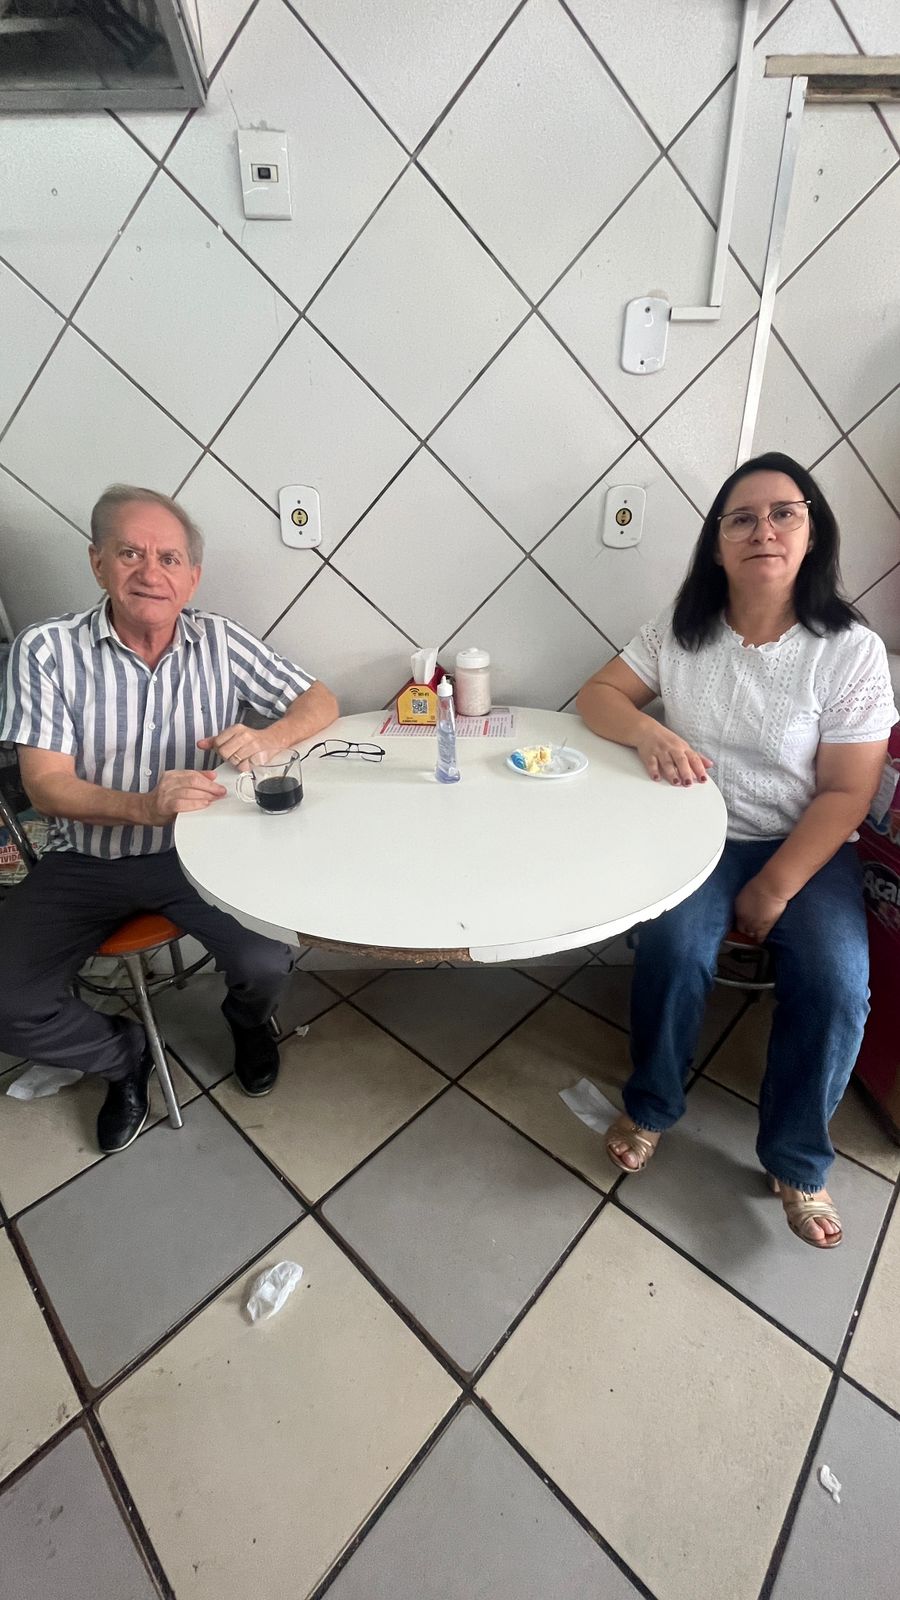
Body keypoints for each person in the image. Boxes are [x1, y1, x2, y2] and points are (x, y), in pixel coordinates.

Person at [577, 452, 897, 1249]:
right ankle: (652, 1105)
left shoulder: (849, 649)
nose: (764, 531)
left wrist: (777, 885)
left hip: (807, 846)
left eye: (785, 513)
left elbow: (847, 792)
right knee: (673, 949)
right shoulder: (682, 629)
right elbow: (599, 695)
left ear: (812, 532)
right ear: (717, 544)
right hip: (697, 837)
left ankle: (797, 1158)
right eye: (742, 519)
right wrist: (649, 732)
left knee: (836, 984)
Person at [0, 484, 339, 1154]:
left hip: (200, 856)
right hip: (85, 860)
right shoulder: (46, 649)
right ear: (98, 562)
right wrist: (142, 805)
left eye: (169, 558)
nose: (150, 572)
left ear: (192, 577)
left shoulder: (220, 641)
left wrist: (268, 738)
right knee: (6, 1000)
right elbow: (46, 787)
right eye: (130, 552)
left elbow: (319, 700)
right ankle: (121, 1055)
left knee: (267, 959)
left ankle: (248, 1022)